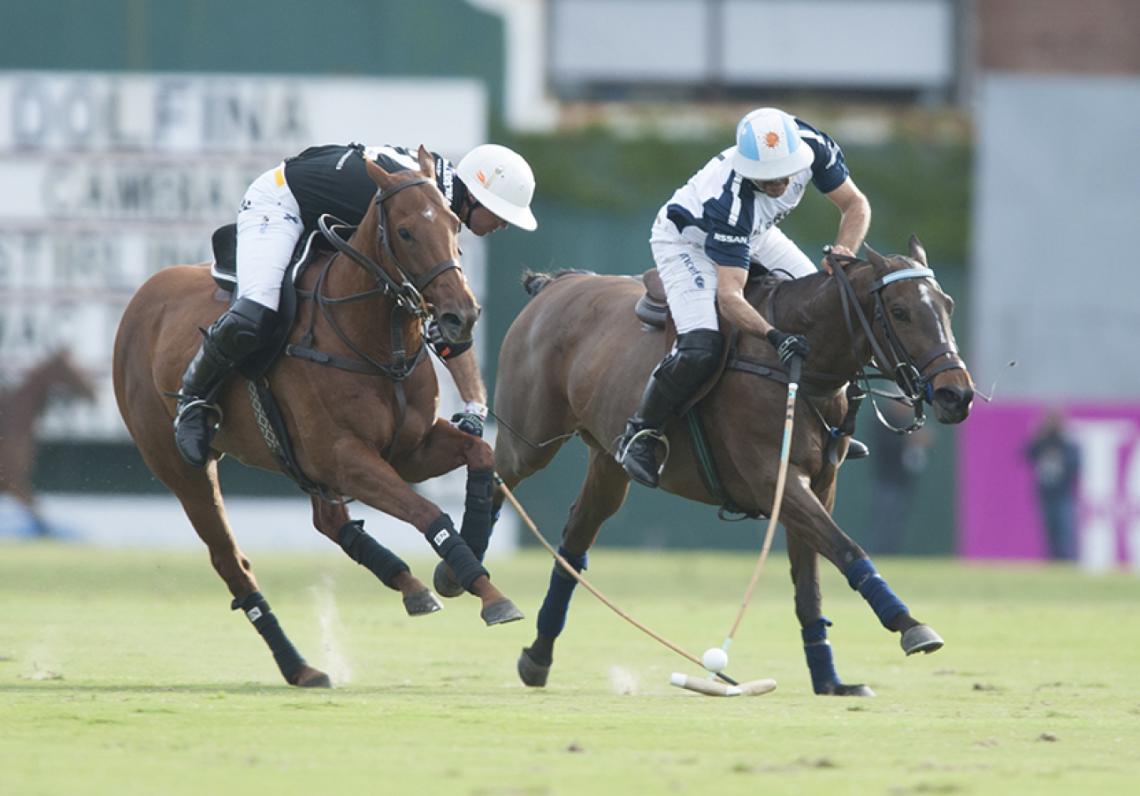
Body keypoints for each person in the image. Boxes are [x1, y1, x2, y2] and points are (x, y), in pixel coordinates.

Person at [173, 142, 537, 468]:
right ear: (474, 197)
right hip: (282, 202)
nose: (504, 225)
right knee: (258, 309)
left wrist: (474, 406)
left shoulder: (437, 204)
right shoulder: (422, 204)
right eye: (501, 214)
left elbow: (451, 320)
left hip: (328, 216)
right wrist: (472, 402)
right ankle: (192, 399)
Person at [617, 107, 872, 488]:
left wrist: (844, 252)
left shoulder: (815, 146)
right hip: (689, 242)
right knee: (701, 345)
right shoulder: (731, 202)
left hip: (757, 232)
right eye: (765, 179)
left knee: (831, 307)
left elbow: (856, 204)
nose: (776, 185)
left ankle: (833, 426)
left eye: (782, 174)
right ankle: (640, 433)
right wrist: (774, 335)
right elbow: (730, 297)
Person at [869, 399, 932, 554]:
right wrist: (909, 439)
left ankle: (890, 553)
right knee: (883, 522)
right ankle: (878, 554)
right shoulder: (883, 420)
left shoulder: (907, 422)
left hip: (903, 481)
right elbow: (886, 445)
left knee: (896, 523)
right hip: (886, 479)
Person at [1024, 410, 1081, 561]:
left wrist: (1061, 459)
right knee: (1050, 532)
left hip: (1063, 495)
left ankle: (1067, 560)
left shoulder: (1066, 442)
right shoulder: (1044, 441)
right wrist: (1038, 437)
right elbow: (1027, 453)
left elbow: (1075, 464)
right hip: (1046, 494)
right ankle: (1054, 560)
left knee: (1064, 532)